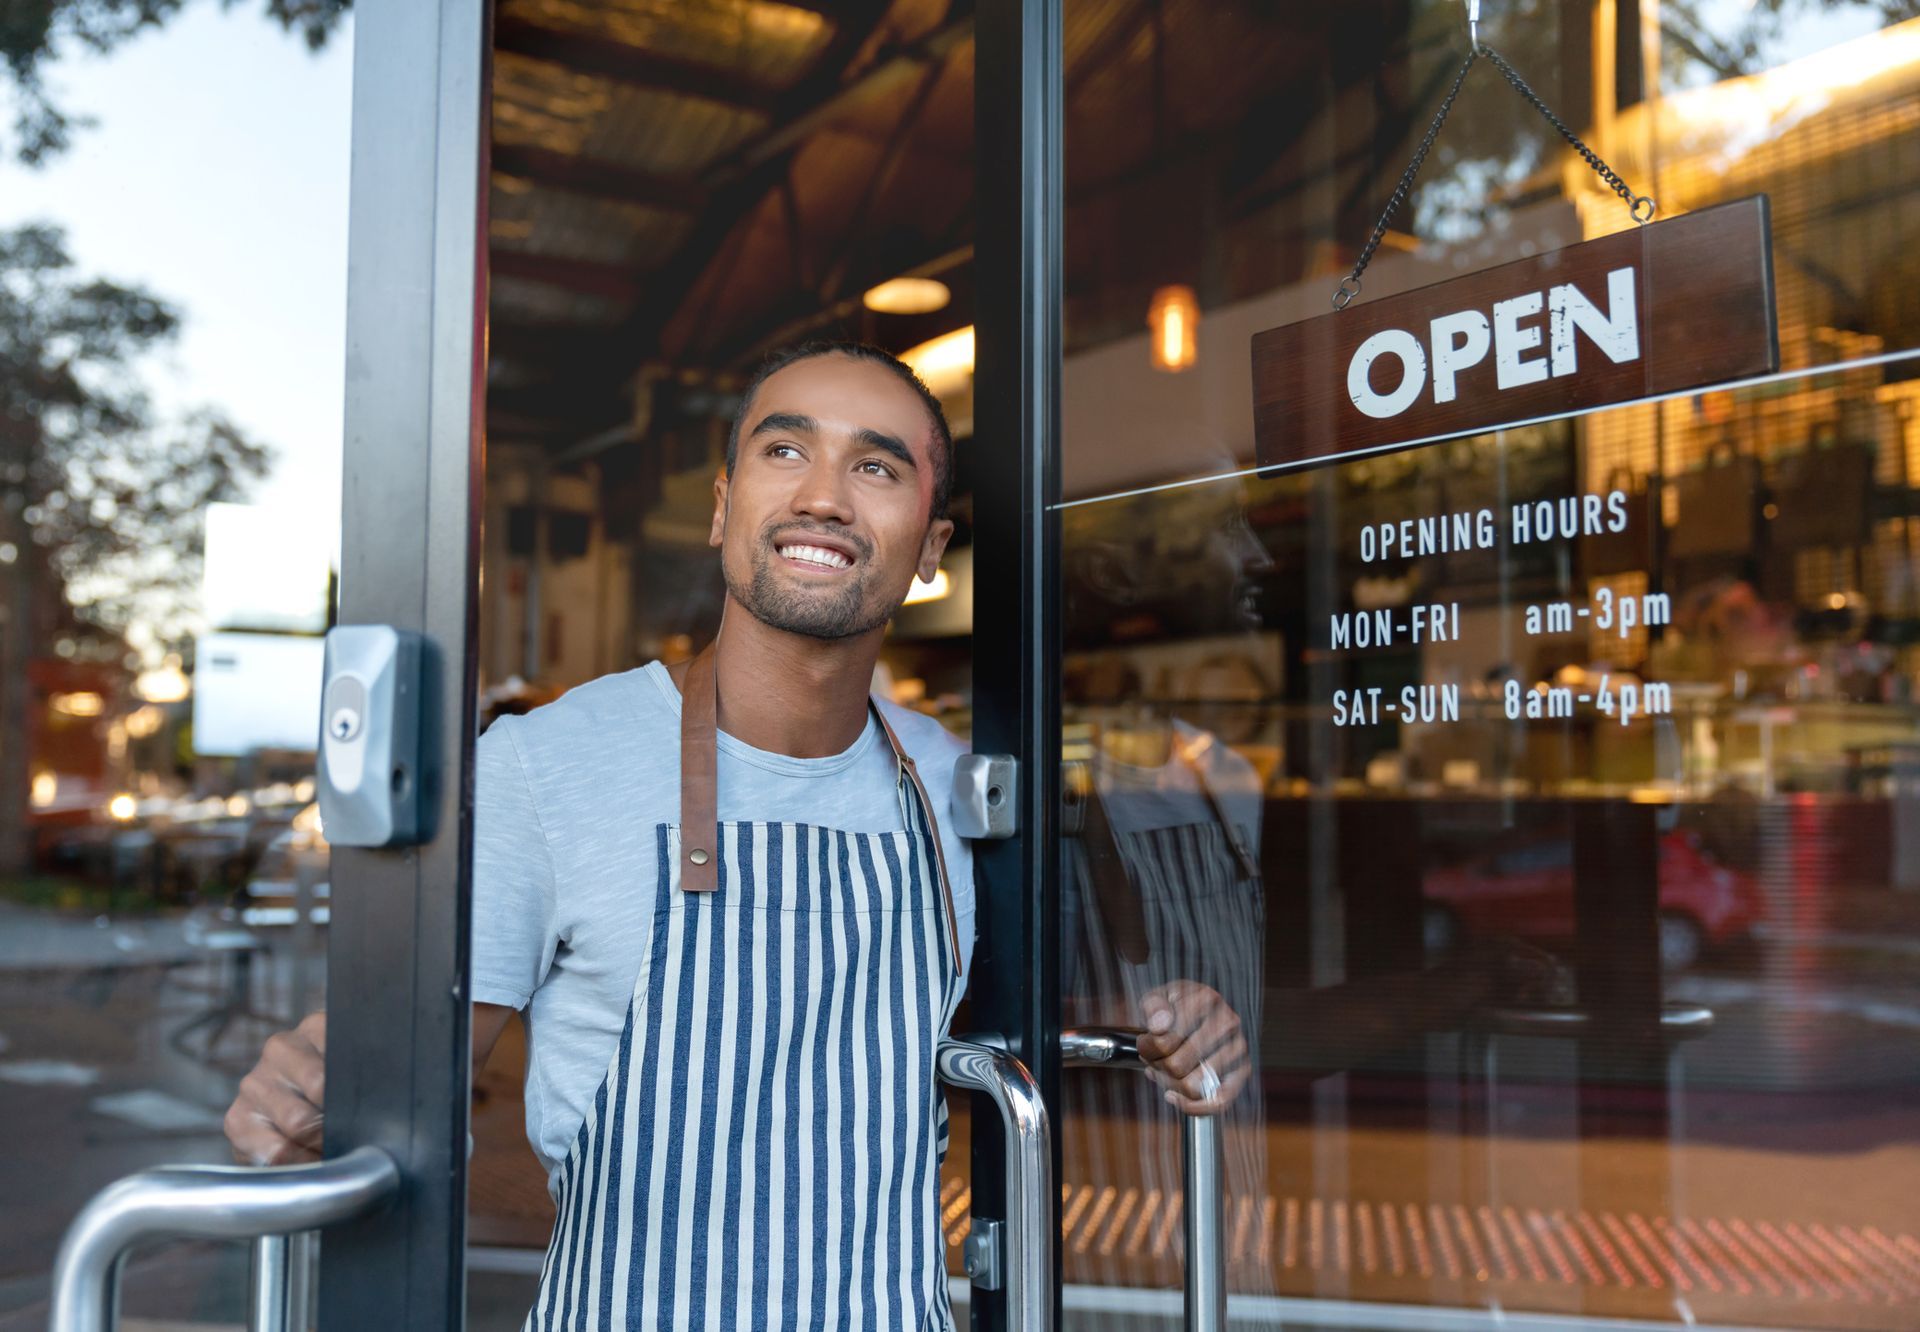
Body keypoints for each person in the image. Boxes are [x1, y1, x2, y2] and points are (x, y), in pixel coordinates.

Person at [222, 342, 1247, 1329]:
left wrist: (1177, 1028)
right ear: (723, 510)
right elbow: (418, 1063)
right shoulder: (549, 764)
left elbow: (1047, 1018)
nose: (823, 497)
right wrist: (312, 1091)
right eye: (785, 449)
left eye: (877, 467)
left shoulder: (957, 784)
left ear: (931, 552)